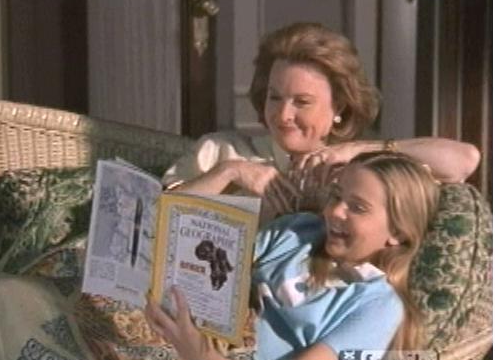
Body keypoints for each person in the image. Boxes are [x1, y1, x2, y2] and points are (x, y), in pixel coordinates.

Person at [146, 151, 440, 360]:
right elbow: (192, 255)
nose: (335, 211)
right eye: (336, 196)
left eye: (358, 207)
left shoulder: (379, 306)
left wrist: (202, 357)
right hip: (196, 328)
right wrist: (228, 171)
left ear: (397, 232)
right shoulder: (298, 231)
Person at [162, 22, 479, 221]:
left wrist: (356, 150)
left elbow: (464, 160)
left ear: (339, 104)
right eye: (275, 97)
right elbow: (158, 221)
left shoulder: (361, 168)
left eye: (301, 102)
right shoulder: (222, 150)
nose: (283, 115)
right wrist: (230, 172)